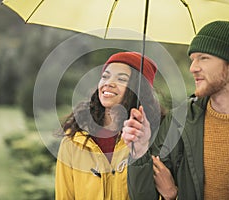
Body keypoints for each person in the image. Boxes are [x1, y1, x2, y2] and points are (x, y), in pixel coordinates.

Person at [122, 20, 229, 200]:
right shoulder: (179, 121)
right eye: (192, 59)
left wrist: (174, 195)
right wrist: (139, 151)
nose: (193, 68)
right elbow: (143, 197)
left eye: (203, 58)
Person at [55, 51, 165, 200]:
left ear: (139, 90)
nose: (109, 83)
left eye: (121, 79)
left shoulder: (157, 139)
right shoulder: (74, 140)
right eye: (105, 76)